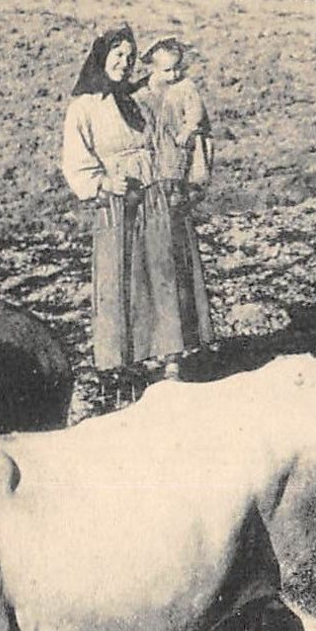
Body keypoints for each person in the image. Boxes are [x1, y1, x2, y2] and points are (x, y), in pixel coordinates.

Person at [61, 25, 207, 398]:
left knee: (161, 270)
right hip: (117, 199)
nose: (124, 63)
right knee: (121, 274)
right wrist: (103, 183)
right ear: (101, 57)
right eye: (117, 55)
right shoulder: (84, 107)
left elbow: (177, 123)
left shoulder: (140, 97)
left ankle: (170, 358)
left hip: (154, 192)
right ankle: (122, 364)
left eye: (129, 57)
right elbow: (76, 159)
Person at [133, 36, 215, 380]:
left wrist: (194, 175)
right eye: (167, 69)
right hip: (142, 191)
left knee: (173, 270)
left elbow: (200, 132)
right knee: (146, 270)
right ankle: (150, 348)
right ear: (150, 65)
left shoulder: (185, 92)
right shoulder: (136, 97)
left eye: (177, 67)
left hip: (172, 187)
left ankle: (176, 352)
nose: (174, 73)